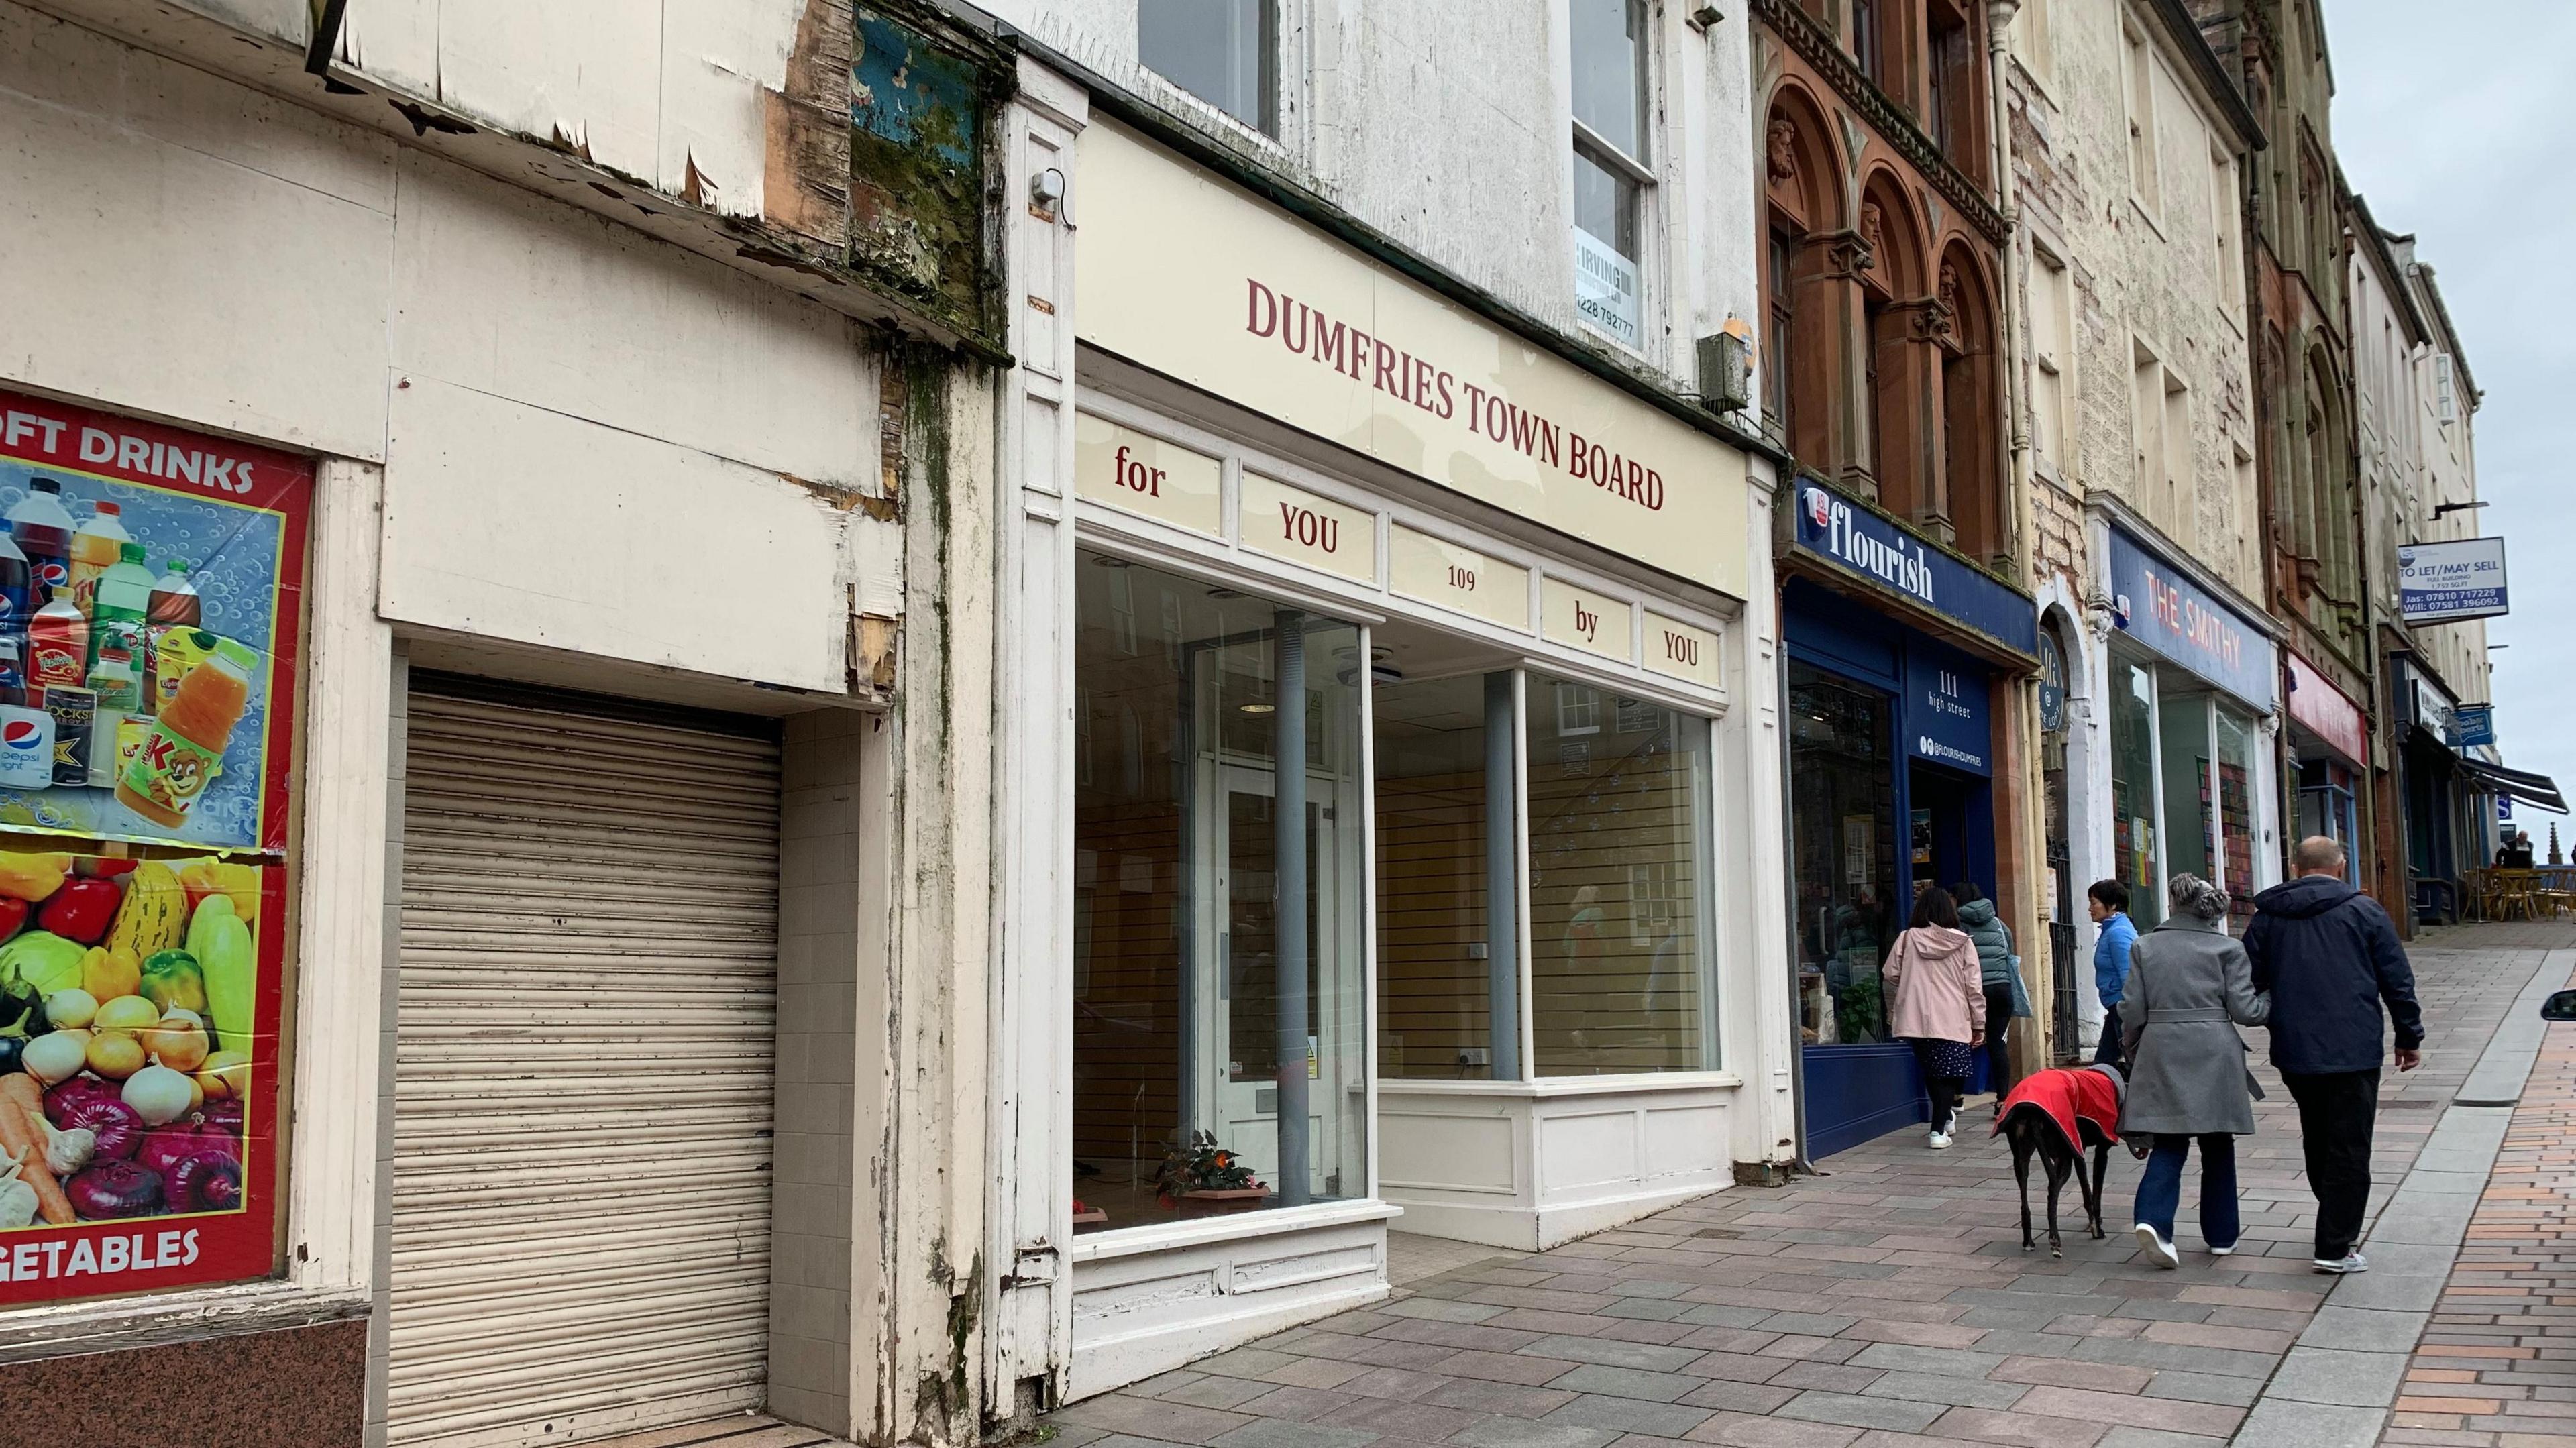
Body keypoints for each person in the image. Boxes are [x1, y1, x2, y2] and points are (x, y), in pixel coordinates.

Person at [2244, 836, 2424, 1275]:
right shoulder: (2365, 912)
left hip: (2295, 1050)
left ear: (2294, 865)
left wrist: (2277, 1013)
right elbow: (2396, 979)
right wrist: (2408, 1034)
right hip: (2354, 1048)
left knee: (2319, 1136)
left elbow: (2247, 978)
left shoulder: (2269, 917)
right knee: (2350, 1145)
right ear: (2342, 865)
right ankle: (2335, 1244)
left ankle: (2335, 1220)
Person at [2121, 874, 2271, 1268]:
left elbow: (2133, 1010)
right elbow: (2247, 1012)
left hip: (2161, 1046)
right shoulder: (2229, 949)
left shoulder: (2145, 946)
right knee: (2218, 1143)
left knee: (2169, 1141)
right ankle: (2222, 1236)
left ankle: (2153, 1221)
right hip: (2215, 1050)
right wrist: (2272, 997)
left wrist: (2133, 1046)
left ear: (2173, 902)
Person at [1884, 885, 1985, 1149]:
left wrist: (1910, 980)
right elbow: (1973, 986)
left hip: (1914, 1016)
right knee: (1948, 1076)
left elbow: (1890, 973)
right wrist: (1979, 1023)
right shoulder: (1963, 942)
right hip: (1951, 1016)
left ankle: (1945, 1118)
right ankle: (1938, 1129)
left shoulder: (1907, 938)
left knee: (1932, 1071)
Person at [1953, 882, 2025, 1105]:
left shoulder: (1958, 925)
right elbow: (2010, 955)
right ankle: (2003, 1099)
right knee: (1997, 1044)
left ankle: (1956, 1097)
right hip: (2002, 989)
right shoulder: (1999, 925)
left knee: (1961, 1041)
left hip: (1974, 990)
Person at [2088, 881, 2139, 1070]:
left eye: (2094, 903)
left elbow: (2129, 974)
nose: (2090, 908)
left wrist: (2128, 1009)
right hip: (2116, 1007)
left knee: (2131, 1061)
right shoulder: (2112, 929)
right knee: (2104, 1062)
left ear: (2113, 905)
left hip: (2122, 1007)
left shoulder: (2118, 932)